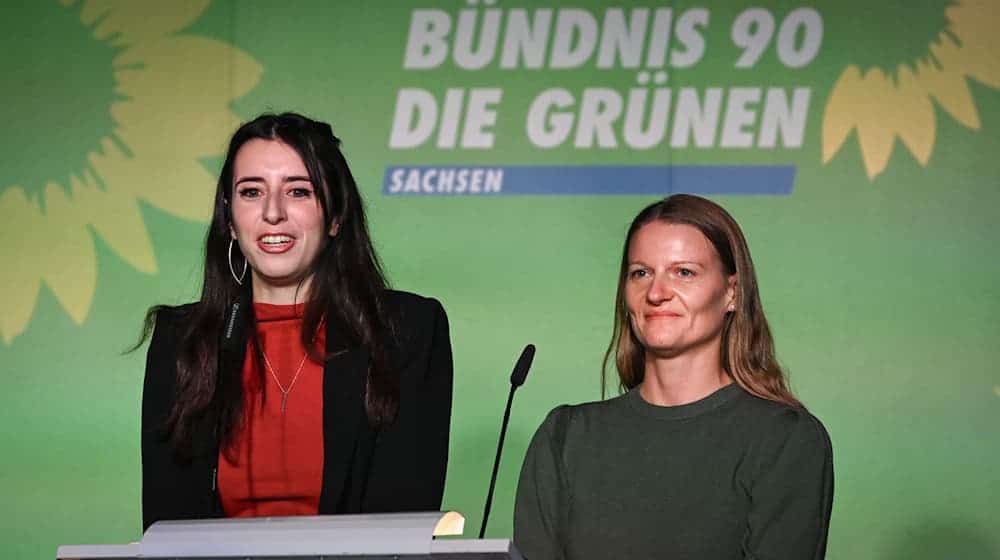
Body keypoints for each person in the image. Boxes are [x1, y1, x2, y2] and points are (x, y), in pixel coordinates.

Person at [139, 112, 452, 531]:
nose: (273, 213)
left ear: (335, 215)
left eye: (298, 192)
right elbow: (167, 530)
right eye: (251, 192)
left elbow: (401, 518)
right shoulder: (182, 342)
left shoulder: (406, 331)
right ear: (230, 220)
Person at [514, 194, 833, 559]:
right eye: (641, 273)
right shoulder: (566, 437)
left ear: (732, 292)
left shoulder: (785, 440)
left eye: (684, 272)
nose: (656, 293)